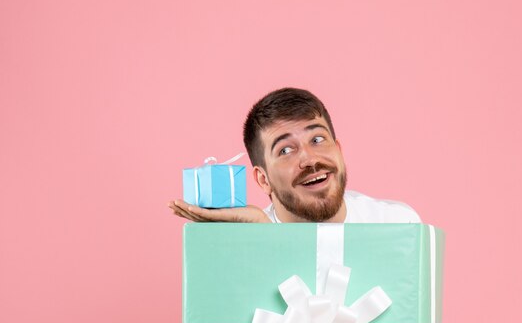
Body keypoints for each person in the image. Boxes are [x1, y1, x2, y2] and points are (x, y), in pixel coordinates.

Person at [169, 88, 420, 223]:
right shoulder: (250, 240)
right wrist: (263, 240)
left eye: (318, 139)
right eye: (285, 150)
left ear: (340, 151)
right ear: (263, 180)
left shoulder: (399, 225)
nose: (310, 159)